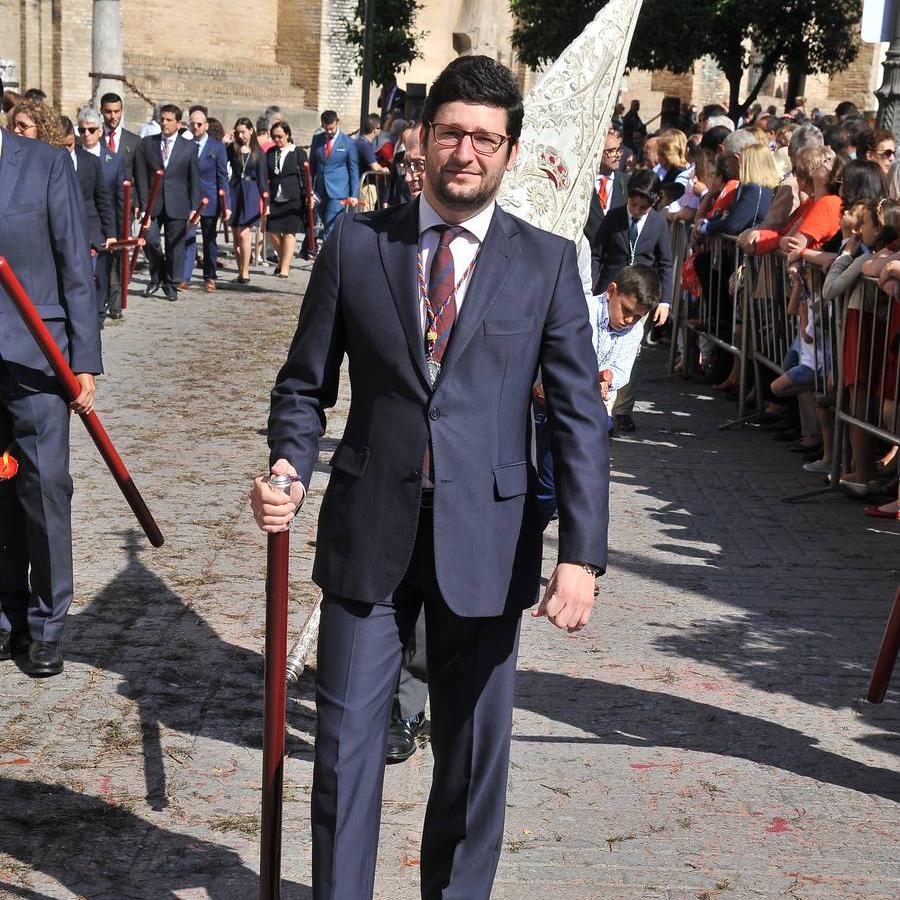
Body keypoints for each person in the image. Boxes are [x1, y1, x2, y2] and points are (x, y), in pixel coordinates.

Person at [250, 54, 609, 900]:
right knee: (342, 752)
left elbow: (577, 418)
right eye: (452, 131)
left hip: (489, 540)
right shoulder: (356, 246)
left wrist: (582, 554)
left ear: (511, 152)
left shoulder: (548, 263)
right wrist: (288, 463)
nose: (467, 151)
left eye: (487, 138)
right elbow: (303, 384)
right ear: (423, 139)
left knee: (472, 762)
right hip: (368, 533)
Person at [0, 84, 102, 678]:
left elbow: (74, 260)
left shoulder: (43, 161)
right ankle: (6, 610)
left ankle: (46, 623)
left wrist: (82, 358)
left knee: (43, 488)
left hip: (36, 355)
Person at [534, 264, 661, 526]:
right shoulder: (581, 312)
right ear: (611, 291)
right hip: (552, 404)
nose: (628, 321)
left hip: (589, 410)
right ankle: (531, 524)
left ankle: (543, 518)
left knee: (577, 479)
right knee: (545, 478)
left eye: (637, 317)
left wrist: (610, 377)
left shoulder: (633, 331)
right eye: (626, 311)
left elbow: (622, 368)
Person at [591, 169, 674, 432]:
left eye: (644, 206)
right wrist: (594, 285)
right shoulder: (614, 217)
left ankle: (623, 409)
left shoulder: (659, 224)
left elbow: (666, 263)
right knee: (601, 346)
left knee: (629, 354)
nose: (637, 209)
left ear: (654, 203)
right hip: (613, 292)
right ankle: (600, 406)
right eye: (633, 204)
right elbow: (597, 253)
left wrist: (665, 301)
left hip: (642, 297)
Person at [133, 104, 202, 301]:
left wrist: (194, 206)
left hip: (177, 202)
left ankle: (171, 283)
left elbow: (194, 178)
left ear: (179, 123)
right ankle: (157, 276)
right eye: (162, 119)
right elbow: (140, 176)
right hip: (153, 202)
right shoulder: (147, 144)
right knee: (149, 239)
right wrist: (140, 202)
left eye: (169, 120)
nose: (164, 123)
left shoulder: (188, 147)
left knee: (175, 245)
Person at [72, 110, 123, 316]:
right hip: (79, 221)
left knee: (104, 271)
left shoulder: (113, 158)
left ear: (100, 132)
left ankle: (109, 306)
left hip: (104, 221)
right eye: (82, 130)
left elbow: (117, 195)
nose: (86, 134)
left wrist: (115, 229)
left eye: (91, 130)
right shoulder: (71, 156)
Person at [182, 105, 231, 292]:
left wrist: (226, 204)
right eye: (192, 124)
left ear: (206, 125)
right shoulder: (184, 144)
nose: (195, 127)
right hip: (188, 199)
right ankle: (184, 277)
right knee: (188, 237)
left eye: (199, 124)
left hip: (210, 199)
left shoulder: (217, 147)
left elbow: (222, 176)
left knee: (209, 239)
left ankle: (209, 276)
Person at [228, 116, 269, 284]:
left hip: (251, 193)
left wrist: (266, 203)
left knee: (244, 234)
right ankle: (240, 270)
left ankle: (245, 271)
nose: (241, 136)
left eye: (243, 132)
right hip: (234, 191)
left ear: (251, 131)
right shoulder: (232, 149)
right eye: (238, 132)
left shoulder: (258, 152)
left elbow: (262, 180)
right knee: (236, 235)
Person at [265, 121, 308, 279]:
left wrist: (307, 196)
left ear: (288, 135)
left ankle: (284, 268)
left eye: (280, 136)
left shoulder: (298, 152)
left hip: (293, 197)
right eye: (274, 137)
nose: (277, 140)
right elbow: (265, 175)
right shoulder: (270, 152)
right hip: (275, 197)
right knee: (272, 230)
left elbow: (305, 176)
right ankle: (283, 259)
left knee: (290, 232)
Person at [584, 126, 630, 271]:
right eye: (611, 151)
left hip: (614, 265)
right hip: (588, 259)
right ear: (598, 153)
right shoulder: (585, 183)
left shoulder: (627, 182)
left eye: (618, 150)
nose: (617, 155)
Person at [309, 110, 359, 239]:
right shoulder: (317, 139)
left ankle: (327, 254)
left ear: (337, 122)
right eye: (326, 129)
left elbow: (353, 169)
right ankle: (334, 250)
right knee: (326, 221)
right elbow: (312, 165)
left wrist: (353, 194)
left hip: (339, 191)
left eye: (331, 128)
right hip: (320, 190)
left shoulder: (348, 142)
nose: (329, 132)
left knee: (331, 222)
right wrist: (310, 188)